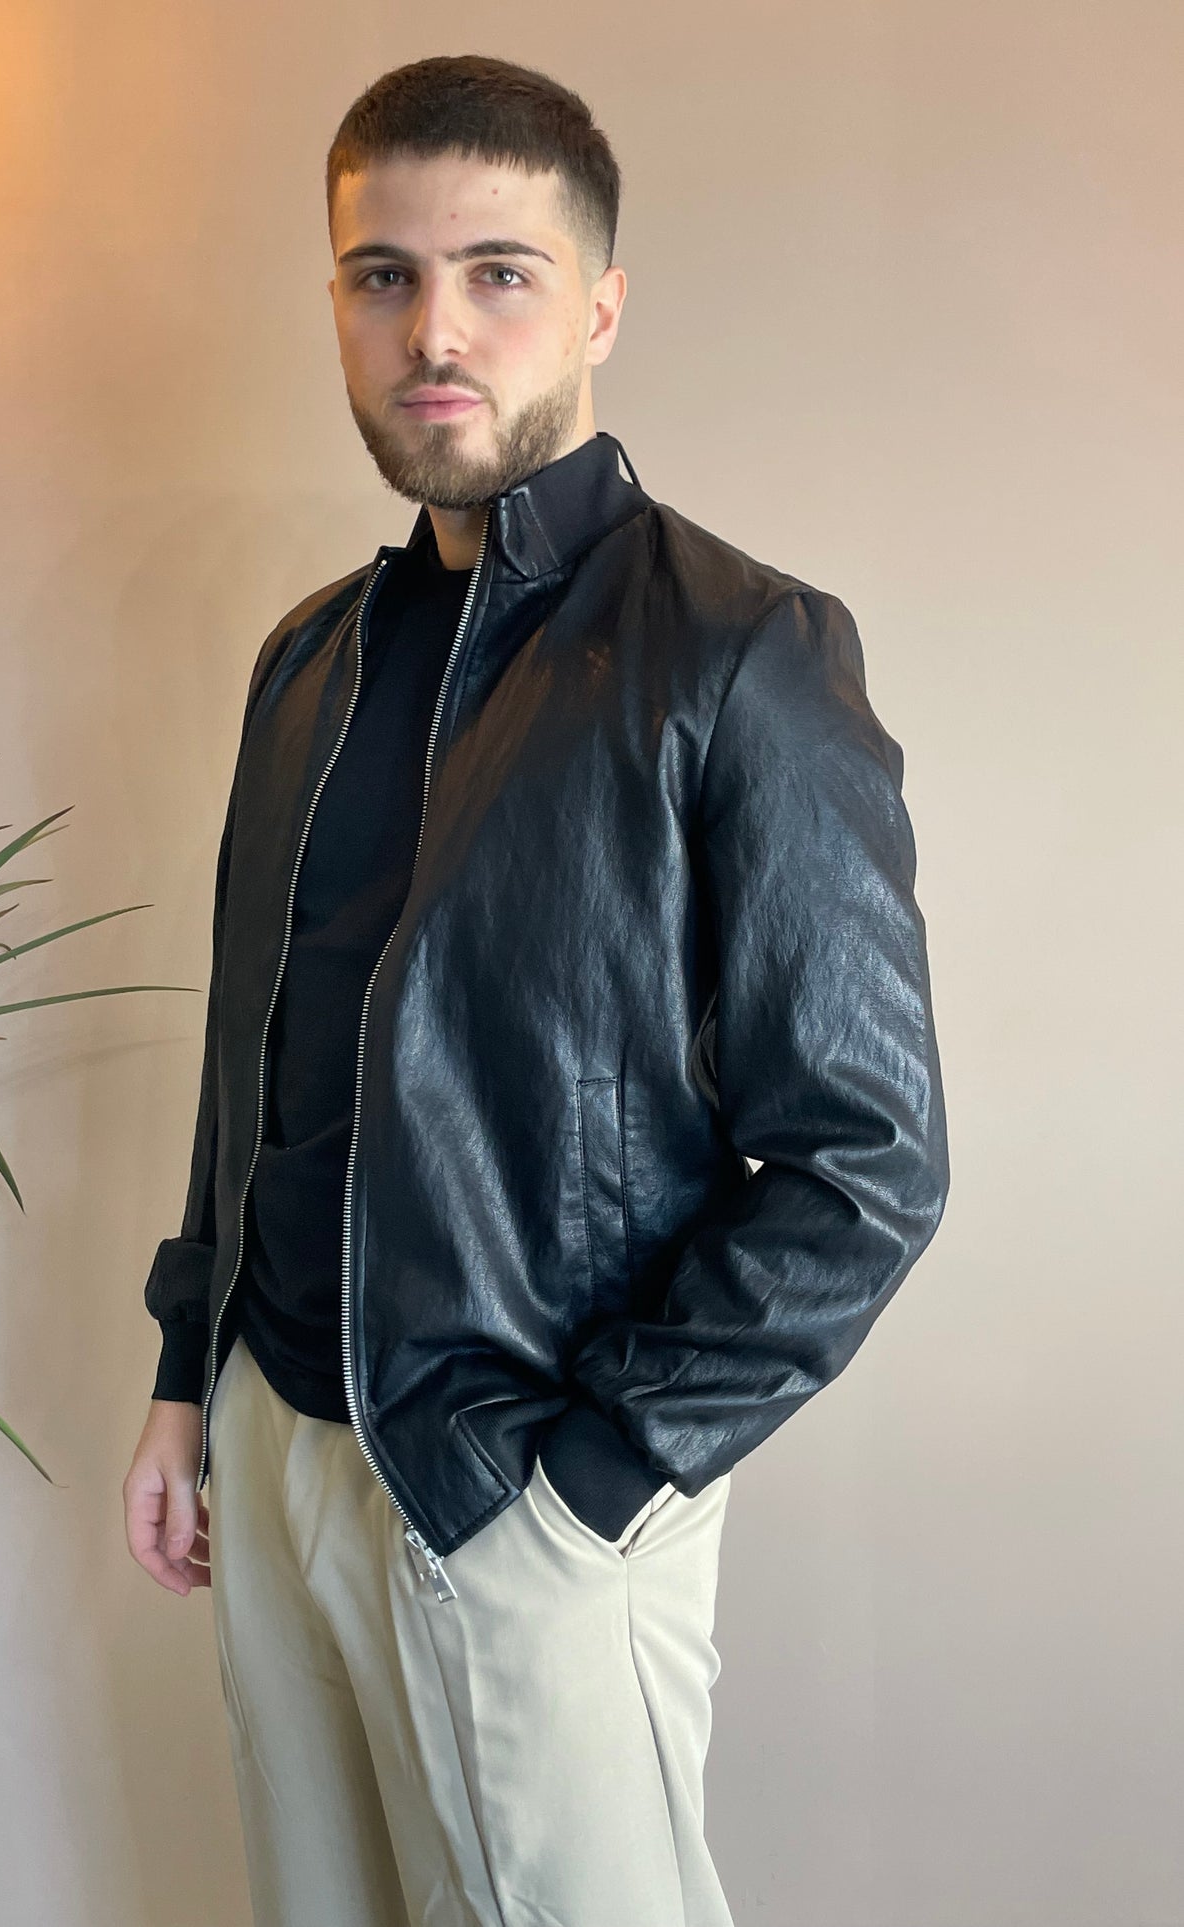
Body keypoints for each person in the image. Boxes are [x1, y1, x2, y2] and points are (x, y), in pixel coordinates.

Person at [122, 52, 949, 1927]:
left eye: (497, 273)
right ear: (337, 302)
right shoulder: (308, 661)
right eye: (382, 275)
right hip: (274, 1437)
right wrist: (188, 1378)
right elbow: (254, 1050)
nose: (433, 329)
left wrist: (590, 1483)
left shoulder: (739, 648)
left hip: (519, 1475)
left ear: (597, 307)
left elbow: (867, 1162)